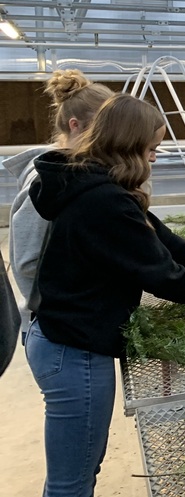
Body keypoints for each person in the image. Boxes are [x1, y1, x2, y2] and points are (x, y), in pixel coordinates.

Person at [26, 93, 185, 497]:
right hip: (72, 348)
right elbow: (154, 267)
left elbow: (158, 236)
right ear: (127, 145)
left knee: (78, 459)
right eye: (151, 147)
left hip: (63, 340)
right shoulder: (103, 200)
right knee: (72, 470)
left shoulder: (99, 186)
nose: (156, 155)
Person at [4, 70, 114, 341]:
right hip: (56, 329)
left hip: (71, 323)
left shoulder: (78, 176)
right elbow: (28, 262)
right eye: (105, 132)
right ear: (75, 125)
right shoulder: (48, 182)